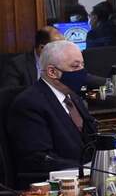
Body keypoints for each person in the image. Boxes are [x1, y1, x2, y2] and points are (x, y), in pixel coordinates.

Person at [6, 40, 97, 185]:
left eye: (82, 65)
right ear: (52, 72)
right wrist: (85, 169)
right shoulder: (29, 103)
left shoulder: (72, 96)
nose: (82, 72)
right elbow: (40, 159)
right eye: (75, 66)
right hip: (54, 185)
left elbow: (89, 139)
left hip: (87, 178)